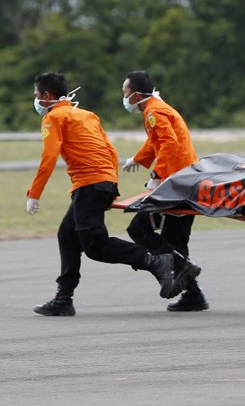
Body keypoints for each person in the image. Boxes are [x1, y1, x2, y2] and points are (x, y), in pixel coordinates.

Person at [26, 72, 199, 316]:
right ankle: (64, 297)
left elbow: (49, 157)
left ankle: (155, 262)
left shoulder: (54, 117)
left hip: (90, 185)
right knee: (67, 235)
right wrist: (112, 186)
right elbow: (110, 150)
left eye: (36, 95)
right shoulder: (87, 115)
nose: (35, 100)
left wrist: (34, 193)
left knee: (96, 246)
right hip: (99, 183)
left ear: (46, 96)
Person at [120, 70, 208, 312]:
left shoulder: (153, 111)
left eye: (125, 92)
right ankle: (193, 295)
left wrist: (156, 177)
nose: (124, 97)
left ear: (136, 95)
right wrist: (138, 159)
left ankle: (181, 266)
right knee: (174, 237)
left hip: (178, 182)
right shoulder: (155, 107)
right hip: (184, 179)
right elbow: (156, 141)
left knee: (139, 228)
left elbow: (169, 143)